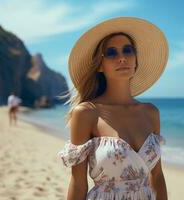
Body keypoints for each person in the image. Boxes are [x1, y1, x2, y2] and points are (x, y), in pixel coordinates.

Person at [58, 17, 169, 200]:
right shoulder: (86, 113)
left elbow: (157, 176)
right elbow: (78, 183)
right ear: (100, 65)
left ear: (136, 61)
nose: (122, 58)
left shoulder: (151, 113)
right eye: (111, 53)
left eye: (128, 50)